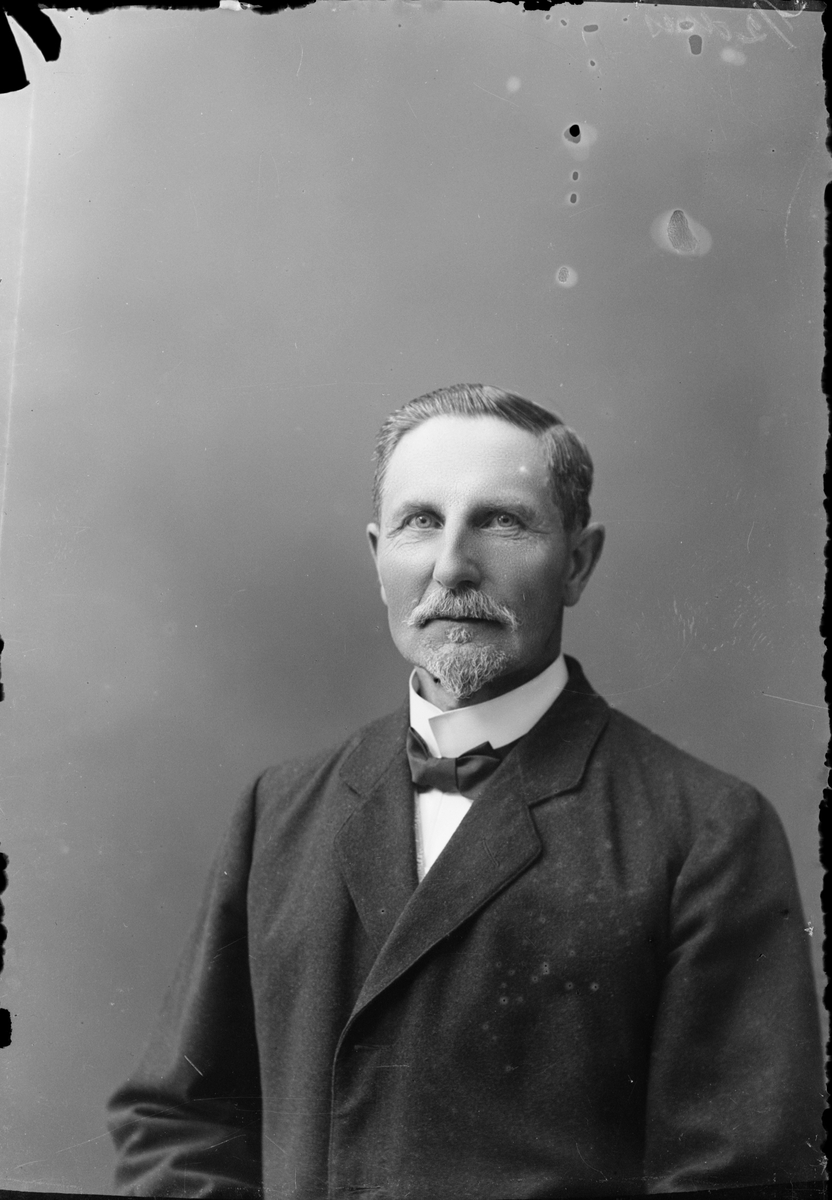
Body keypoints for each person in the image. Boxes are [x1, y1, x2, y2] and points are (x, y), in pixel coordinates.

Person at [108, 385, 823, 1199]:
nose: (450, 566)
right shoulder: (278, 809)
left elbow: (739, 1180)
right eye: (419, 522)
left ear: (577, 563)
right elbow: (181, 1122)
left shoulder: (706, 830)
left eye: (501, 521)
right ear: (377, 557)